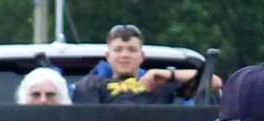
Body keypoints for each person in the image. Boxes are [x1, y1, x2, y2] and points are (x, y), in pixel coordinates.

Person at [72, 24, 219, 104]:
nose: (125, 55)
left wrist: (167, 74)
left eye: (132, 50)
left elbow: (215, 82)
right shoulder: (91, 84)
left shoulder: (161, 84)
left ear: (141, 56)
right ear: (108, 57)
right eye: (118, 50)